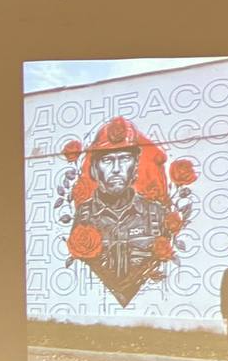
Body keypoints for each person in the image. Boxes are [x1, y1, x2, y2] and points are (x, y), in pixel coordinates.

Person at [71, 116, 168, 307]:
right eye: (107, 160)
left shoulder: (157, 214)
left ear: (135, 166)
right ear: (95, 168)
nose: (116, 169)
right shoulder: (83, 217)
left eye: (124, 159)